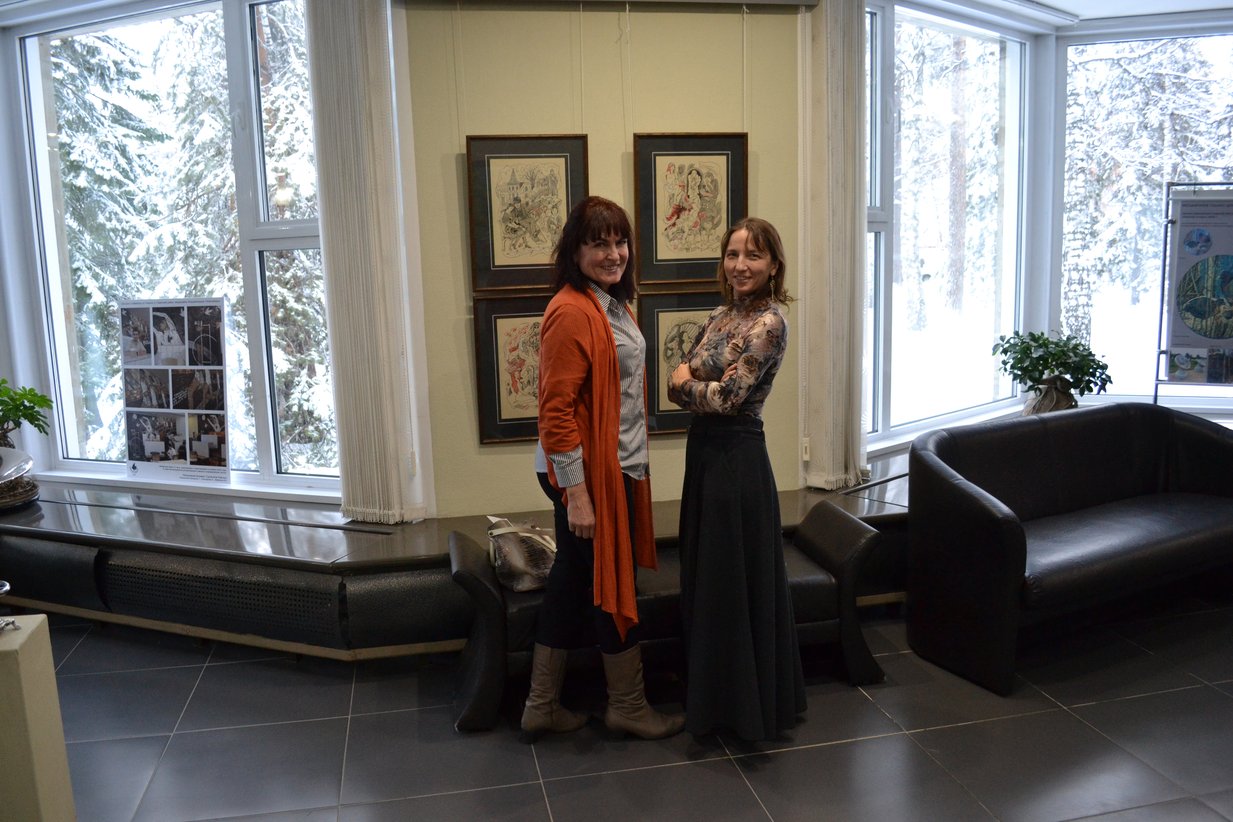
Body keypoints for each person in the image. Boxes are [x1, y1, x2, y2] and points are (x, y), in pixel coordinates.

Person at [525, 195, 685, 743]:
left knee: (574, 580)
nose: (614, 253)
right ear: (575, 250)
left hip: (612, 467)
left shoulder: (609, 304)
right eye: (599, 243)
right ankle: (628, 706)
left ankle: (542, 706)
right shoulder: (572, 310)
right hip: (586, 474)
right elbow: (555, 412)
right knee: (608, 581)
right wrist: (578, 494)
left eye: (620, 242)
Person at [667, 216, 806, 742]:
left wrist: (688, 383)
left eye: (753, 255)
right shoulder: (722, 315)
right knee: (708, 576)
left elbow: (726, 398)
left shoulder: (770, 323)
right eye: (732, 254)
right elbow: (677, 381)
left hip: (738, 459)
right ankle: (712, 700)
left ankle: (742, 709)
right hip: (704, 454)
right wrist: (690, 383)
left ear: (773, 265)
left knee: (733, 579)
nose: (740, 265)